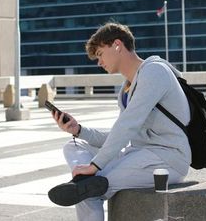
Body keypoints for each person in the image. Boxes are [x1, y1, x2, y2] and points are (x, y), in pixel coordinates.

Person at [48, 22, 191, 221]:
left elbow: (127, 126)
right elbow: (120, 133)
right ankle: (84, 181)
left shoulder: (154, 72)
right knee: (74, 146)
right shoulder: (126, 88)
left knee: (89, 187)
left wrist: (95, 165)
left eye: (100, 54)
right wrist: (79, 130)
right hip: (139, 154)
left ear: (117, 45)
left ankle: (86, 183)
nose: (99, 62)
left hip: (166, 159)